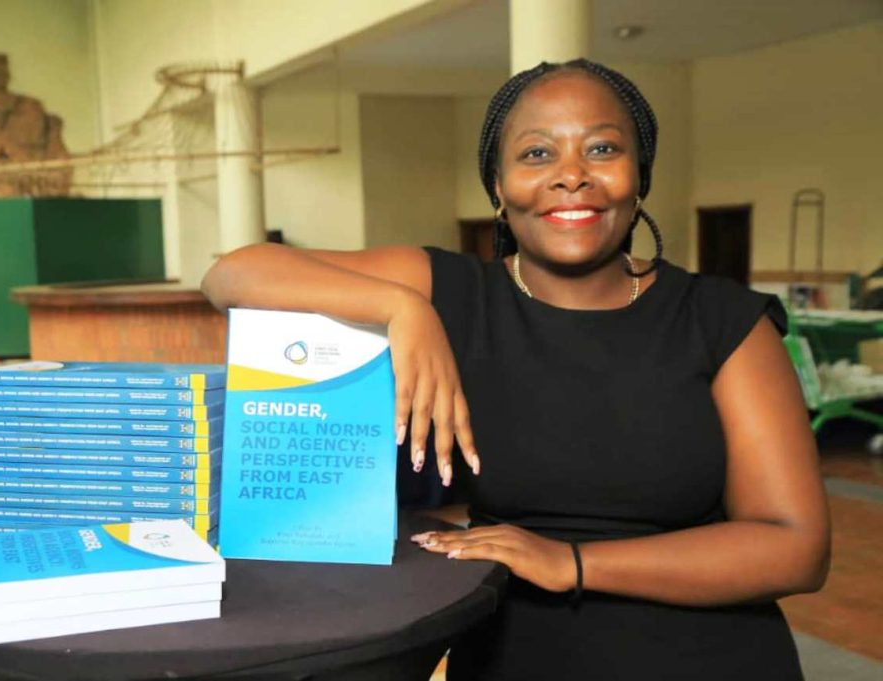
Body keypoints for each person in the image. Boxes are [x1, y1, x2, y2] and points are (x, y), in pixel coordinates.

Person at [201, 59, 830, 680]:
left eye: (602, 149)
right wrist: (401, 307)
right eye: (537, 154)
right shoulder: (456, 291)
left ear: (639, 177)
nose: (571, 175)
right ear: (499, 188)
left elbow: (795, 548)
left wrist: (571, 563)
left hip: (708, 656)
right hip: (517, 652)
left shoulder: (721, 321)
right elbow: (233, 273)